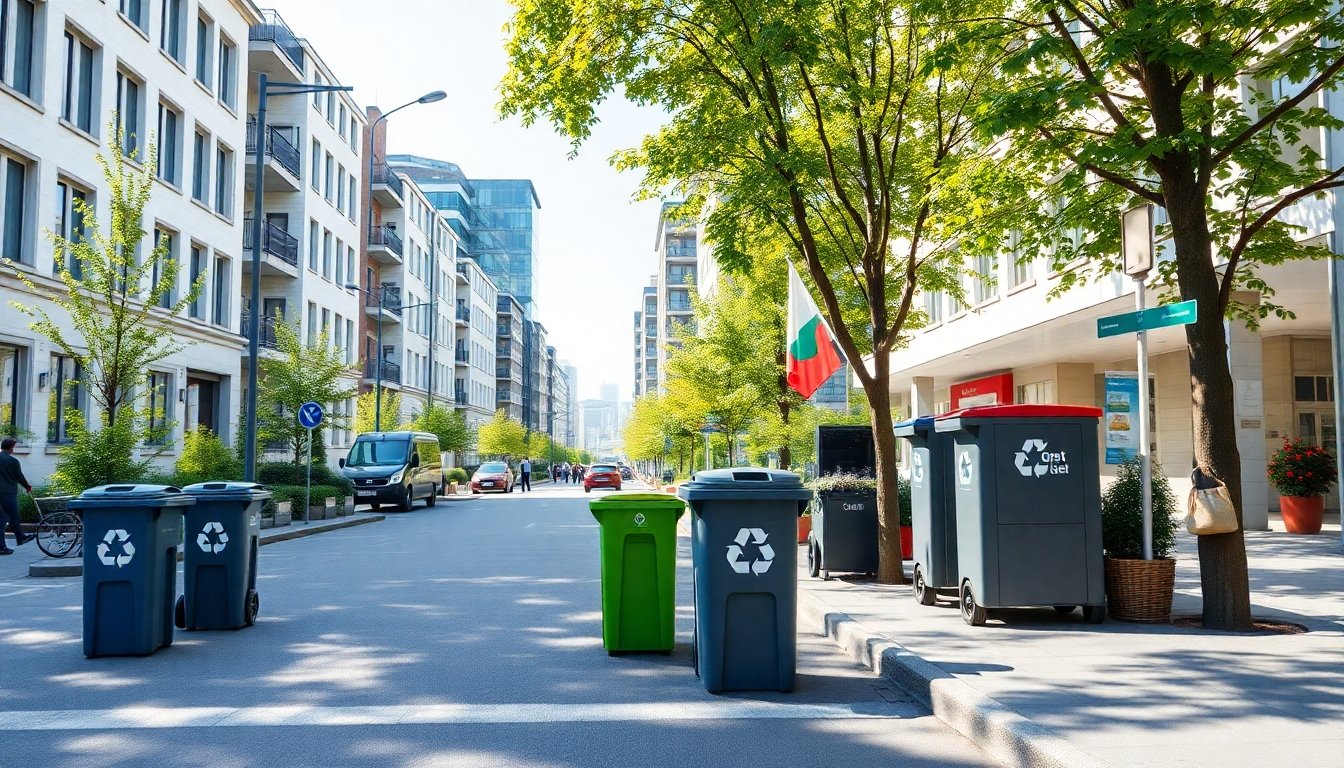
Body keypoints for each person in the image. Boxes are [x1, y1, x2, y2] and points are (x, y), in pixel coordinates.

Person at [0, 437, 34, 555]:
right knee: (12, 516)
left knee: (2, 519)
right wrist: (27, 487)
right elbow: (19, 477)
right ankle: (20, 538)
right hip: (8, 492)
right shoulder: (12, 461)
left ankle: (5, 544)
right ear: (11, 448)